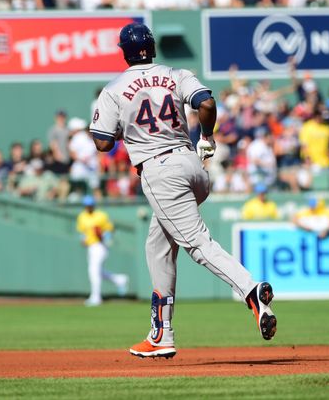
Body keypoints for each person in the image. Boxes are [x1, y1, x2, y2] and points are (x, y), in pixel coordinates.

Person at [90, 23, 276, 359]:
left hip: (161, 172)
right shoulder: (176, 74)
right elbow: (205, 102)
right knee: (157, 247)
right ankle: (162, 334)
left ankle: (251, 291)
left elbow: (103, 142)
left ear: (124, 52)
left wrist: (126, 129)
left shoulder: (115, 88)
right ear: (152, 47)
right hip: (193, 166)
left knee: (198, 244)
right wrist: (206, 136)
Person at [76, 195, 129, 307]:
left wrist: (104, 235)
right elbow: (82, 232)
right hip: (90, 247)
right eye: (86, 205)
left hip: (100, 246)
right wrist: (83, 239)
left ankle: (96, 297)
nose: (88, 207)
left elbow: (110, 229)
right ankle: (120, 280)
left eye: (90, 205)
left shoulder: (100, 215)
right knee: (97, 272)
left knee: (93, 271)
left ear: (93, 205)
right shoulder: (82, 216)